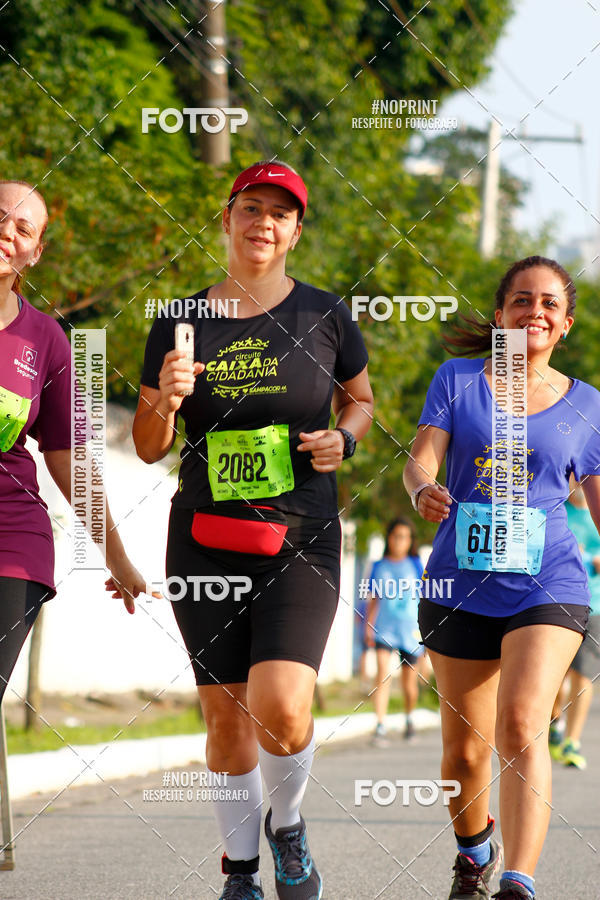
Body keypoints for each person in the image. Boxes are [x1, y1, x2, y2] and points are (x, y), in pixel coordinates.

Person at [132, 160, 373, 900]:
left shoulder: (326, 315)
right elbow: (147, 445)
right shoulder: (179, 321)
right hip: (204, 537)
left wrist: (346, 440)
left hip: (300, 537)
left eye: (279, 213)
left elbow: (359, 402)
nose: (262, 223)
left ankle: (289, 824)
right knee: (226, 722)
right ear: (227, 220)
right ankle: (240, 874)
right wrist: (166, 404)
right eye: (250, 208)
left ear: (296, 231)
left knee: (283, 707)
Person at [403, 256, 599, 900]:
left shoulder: (587, 404)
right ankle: (473, 851)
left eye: (548, 304)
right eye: (521, 301)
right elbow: (421, 462)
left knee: (521, 722)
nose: (534, 313)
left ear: (565, 324)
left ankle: (518, 880)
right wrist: (425, 490)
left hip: (550, 583)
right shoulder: (459, 380)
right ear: (500, 315)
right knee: (464, 754)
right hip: (460, 582)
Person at [0, 180, 151, 718]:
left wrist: (118, 557)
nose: (7, 233)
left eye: (23, 228)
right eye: (0, 217)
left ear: (35, 253)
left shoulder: (46, 340)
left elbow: (69, 458)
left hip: (11, 539)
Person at [548, 478, 600, 769]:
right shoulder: (558, 511)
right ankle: (555, 720)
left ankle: (572, 741)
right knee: (556, 674)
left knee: (584, 673)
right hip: (558, 601)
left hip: (596, 604)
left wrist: (593, 558)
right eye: (573, 476)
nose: (578, 481)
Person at [365, 517, 424, 744]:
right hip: (384, 628)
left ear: (410, 541)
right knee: (382, 674)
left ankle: (409, 718)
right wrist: (367, 626)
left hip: (411, 631)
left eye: (405, 537)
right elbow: (373, 598)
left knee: (409, 684)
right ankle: (380, 725)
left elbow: (425, 597)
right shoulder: (379, 566)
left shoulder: (416, 565)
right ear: (389, 538)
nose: (400, 541)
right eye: (396, 536)